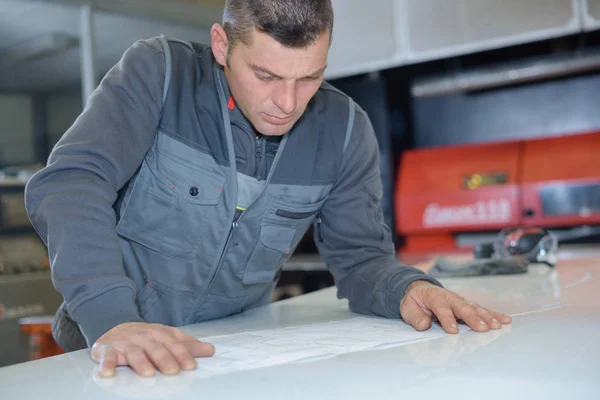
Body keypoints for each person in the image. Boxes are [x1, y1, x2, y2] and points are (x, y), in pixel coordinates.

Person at [25, 0, 511, 378]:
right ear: (221, 45)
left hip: (226, 358)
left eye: (310, 78)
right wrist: (110, 318)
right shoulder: (160, 74)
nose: (287, 103)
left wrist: (409, 288)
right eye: (266, 75)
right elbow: (70, 183)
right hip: (107, 349)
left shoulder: (344, 130)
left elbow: (362, 258)